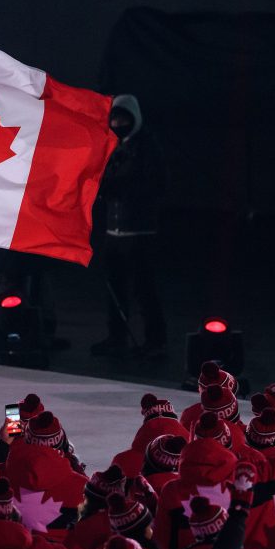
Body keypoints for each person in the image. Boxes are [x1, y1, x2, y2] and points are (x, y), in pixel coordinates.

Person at [90, 94, 167, 361]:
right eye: (115, 118)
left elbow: (144, 185)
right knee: (115, 288)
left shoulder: (146, 149)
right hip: (114, 230)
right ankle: (117, 337)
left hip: (139, 231)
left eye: (123, 118)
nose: (118, 123)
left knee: (143, 289)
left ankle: (155, 341)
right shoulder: (113, 147)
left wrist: (108, 186)